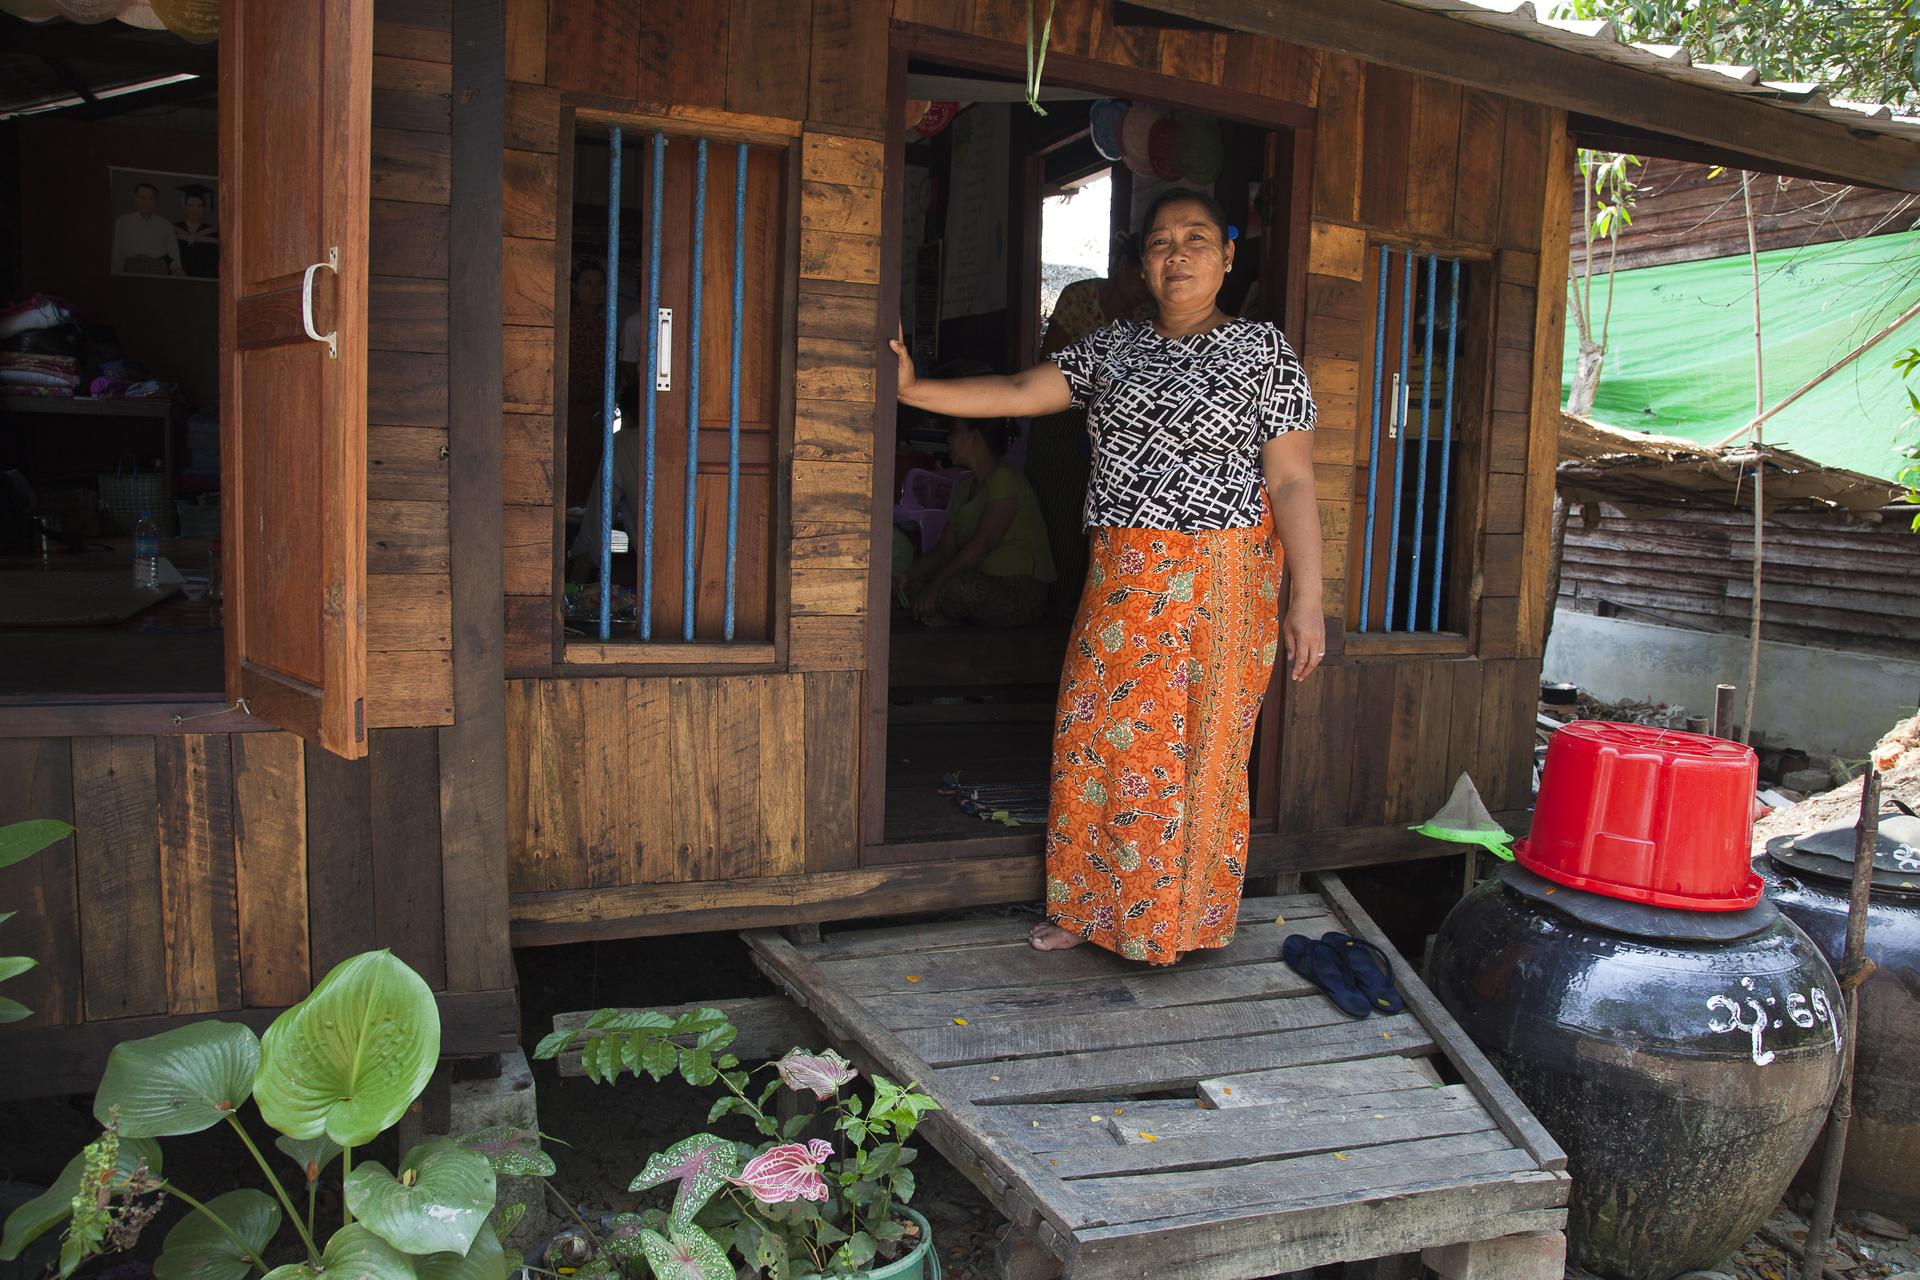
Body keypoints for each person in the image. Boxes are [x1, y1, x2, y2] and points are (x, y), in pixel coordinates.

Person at [890, 188, 1324, 966]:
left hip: (1224, 579)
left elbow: (1291, 482)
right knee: (1097, 736)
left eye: (1196, 238)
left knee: (1193, 748)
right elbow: (1024, 392)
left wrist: (1311, 600)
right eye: (1160, 241)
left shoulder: (1262, 351)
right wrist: (913, 388)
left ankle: (1175, 920)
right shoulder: (1113, 348)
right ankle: (1091, 907)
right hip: (1124, 569)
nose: (1178, 253)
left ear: (1228, 255)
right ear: (1141, 263)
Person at [894, 416, 1055, 628]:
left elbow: (981, 545)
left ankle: (949, 619)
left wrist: (934, 587)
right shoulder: (963, 488)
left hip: (1019, 590)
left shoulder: (1004, 479)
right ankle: (944, 617)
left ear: (975, 438)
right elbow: (944, 549)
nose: (949, 439)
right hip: (981, 580)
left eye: (954, 432)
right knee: (913, 586)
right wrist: (905, 576)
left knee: (954, 587)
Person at [566, 261, 611, 506]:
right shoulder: (566, 322)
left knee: (594, 462)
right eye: (588, 284)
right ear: (575, 288)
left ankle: (586, 515)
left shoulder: (608, 325)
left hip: (598, 406)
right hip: (570, 404)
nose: (594, 290)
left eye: (600, 284)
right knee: (569, 458)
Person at [112, 182, 180, 276]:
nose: (147, 203)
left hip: (158, 268)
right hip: (131, 268)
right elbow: (118, 254)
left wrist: (177, 270)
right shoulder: (123, 221)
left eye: (151, 198)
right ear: (135, 198)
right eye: (142, 198)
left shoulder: (166, 225)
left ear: (157, 201)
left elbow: (175, 255)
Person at [172, 184, 219, 279]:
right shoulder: (173, 229)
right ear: (185, 207)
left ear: (204, 208)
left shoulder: (213, 232)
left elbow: (215, 261)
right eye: (190, 205)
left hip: (205, 280)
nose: (195, 209)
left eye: (199, 206)